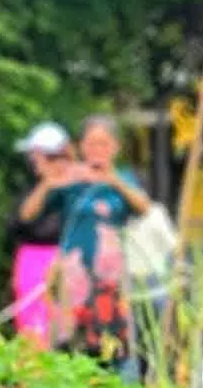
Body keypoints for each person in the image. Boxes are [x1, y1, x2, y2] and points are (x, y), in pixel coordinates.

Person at [45, 114, 152, 372]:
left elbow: (144, 207)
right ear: (81, 146)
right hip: (75, 273)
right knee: (71, 343)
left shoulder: (123, 179)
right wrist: (56, 180)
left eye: (104, 144)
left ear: (115, 147)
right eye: (92, 144)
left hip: (110, 277)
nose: (97, 150)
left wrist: (113, 179)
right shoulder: (71, 180)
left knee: (111, 342)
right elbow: (31, 214)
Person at [10, 121, 74, 348]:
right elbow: (20, 221)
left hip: (66, 263)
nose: (33, 162)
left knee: (65, 330)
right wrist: (47, 183)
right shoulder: (34, 190)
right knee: (32, 331)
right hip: (31, 264)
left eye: (37, 156)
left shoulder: (75, 188)